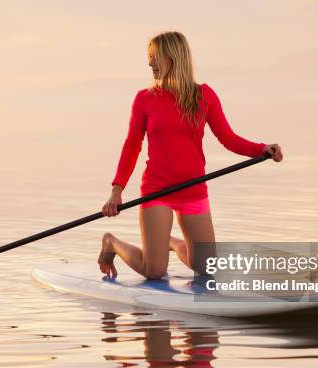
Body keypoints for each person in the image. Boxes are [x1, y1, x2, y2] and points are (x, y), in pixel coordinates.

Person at [99, 31, 283, 279]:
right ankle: (111, 243)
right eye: (149, 57)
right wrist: (117, 190)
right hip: (157, 189)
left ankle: (170, 242)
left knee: (208, 269)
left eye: (154, 57)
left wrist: (261, 149)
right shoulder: (145, 99)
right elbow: (132, 146)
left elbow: (228, 138)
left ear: (173, 57)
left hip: (193, 189)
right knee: (154, 271)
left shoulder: (204, 95)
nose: (149, 63)